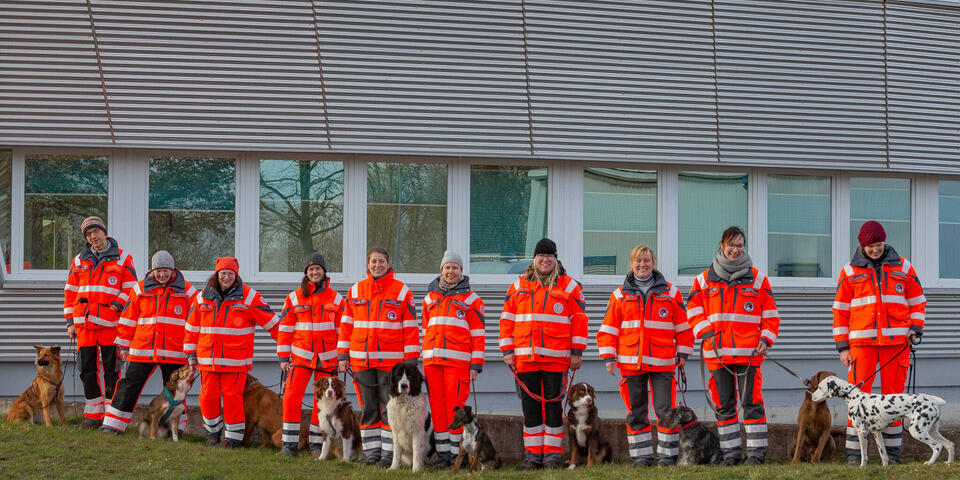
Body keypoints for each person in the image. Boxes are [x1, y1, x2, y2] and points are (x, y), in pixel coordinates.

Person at [833, 220, 925, 465]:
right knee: (856, 399)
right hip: (861, 346)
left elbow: (918, 301)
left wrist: (916, 328)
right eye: (871, 246)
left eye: (879, 244)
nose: (875, 249)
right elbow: (840, 311)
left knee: (894, 400)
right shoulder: (849, 271)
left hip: (896, 345)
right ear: (862, 245)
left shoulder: (904, 266)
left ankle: (892, 455)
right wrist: (843, 347)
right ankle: (854, 455)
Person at [686, 226, 780, 465]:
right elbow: (693, 311)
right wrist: (705, 332)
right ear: (722, 245)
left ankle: (756, 455)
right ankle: (731, 455)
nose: (735, 250)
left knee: (752, 405)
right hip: (717, 355)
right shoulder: (703, 280)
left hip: (749, 355)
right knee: (724, 406)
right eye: (731, 245)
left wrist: (765, 339)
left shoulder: (758, 279)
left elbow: (771, 315)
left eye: (740, 245)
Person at [597, 245, 693, 467]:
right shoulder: (619, 295)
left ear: (653, 263)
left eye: (647, 260)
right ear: (631, 264)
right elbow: (608, 329)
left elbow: (683, 327)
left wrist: (683, 352)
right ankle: (642, 457)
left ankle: (667, 456)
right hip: (631, 363)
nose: (643, 264)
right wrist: (609, 357)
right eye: (638, 261)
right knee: (636, 413)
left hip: (663, 363)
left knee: (666, 412)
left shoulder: (671, 293)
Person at [499, 238, 588, 470]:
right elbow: (506, 320)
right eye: (541, 256)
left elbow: (579, 322)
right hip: (525, 359)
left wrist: (577, 353)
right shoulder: (518, 286)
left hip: (556, 359)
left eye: (549, 256)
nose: (545, 260)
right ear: (535, 259)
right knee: (530, 410)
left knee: (553, 409)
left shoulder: (570, 286)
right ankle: (532, 457)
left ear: (555, 259)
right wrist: (507, 350)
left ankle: (552, 457)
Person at [184, 257, 280, 447]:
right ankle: (212, 434)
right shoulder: (202, 296)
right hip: (208, 361)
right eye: (223, 273)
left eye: (230, 274)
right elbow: (191, 327)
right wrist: (190, 353)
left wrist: (288, 348)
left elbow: (274, 324)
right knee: (207, 397)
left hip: (235, 361)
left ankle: (233, 439)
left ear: (236, 276)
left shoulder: (249, 297)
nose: (226, 277)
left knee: (232, 399)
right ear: (216, 274)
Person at [337, 247, 419, 467]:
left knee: (388, 408)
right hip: (361, 361)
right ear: (368, 264)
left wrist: (411, 362)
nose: (377, 265)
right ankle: (371, 453)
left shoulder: (402, 292)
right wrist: (343, 354)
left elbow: (411, 328)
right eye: (374, 261)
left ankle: (388, 454)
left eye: (381, 261)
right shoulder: (355, 291)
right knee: (368, 407)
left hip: (391, 364)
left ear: (388, 264)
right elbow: (346, 326)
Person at [102, 250, 198, 435]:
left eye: (165, 270)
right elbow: (128, 319)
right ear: (152, 270)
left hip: (175, 352)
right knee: (128, 385)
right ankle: (113, 425)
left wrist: (192, 351)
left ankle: (173, 430)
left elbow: (196, 322)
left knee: (176, 391)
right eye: (158, 271)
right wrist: (123, 345)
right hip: (142, 350)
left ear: (172, 270)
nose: (162, 275)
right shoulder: (139, 289)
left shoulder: (188, 292)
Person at [63, 216, 138, 428]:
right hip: (83, 326)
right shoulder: (79, 260)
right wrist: (70, 323)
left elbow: (130, 290)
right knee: (86, 371)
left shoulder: (123, 258)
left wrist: (115, 306)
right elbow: (70, 292)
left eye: (95, 231)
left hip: (110, 325)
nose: (93, 237)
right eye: (88, 234)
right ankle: (93, 415)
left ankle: (111, 415)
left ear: (104, 232)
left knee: (112, 371)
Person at [421, 251, 485, 470]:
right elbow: (425, 330)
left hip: (458, 365)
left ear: (461, 271)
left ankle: (459, 457)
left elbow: (478, 335)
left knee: (456, 410)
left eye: (455, 268)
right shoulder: (429, 298)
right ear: (441, 270)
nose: (451, 271)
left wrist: (475, 365)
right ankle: (443, 457)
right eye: (447, 267)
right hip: (432, 363)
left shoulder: (472, 300)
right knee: (438, 409)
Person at [276, 253, 345, 457]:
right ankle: (289, 445)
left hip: (328, 359)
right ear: (306, 273)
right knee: (290, 398)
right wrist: (283, 357)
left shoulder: (336, 298)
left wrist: (343, 357)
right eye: (311, 269)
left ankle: (317, 445)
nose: (315, 272)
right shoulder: (294, 297)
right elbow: (284, 330)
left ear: (324, 272)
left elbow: (343, 331)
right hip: (300, 358)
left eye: (318, 269)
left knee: (323, 402)